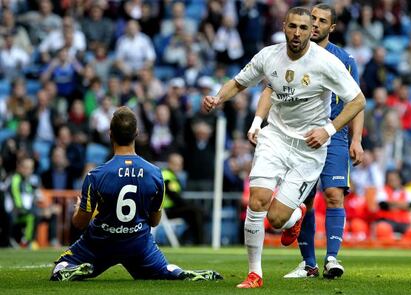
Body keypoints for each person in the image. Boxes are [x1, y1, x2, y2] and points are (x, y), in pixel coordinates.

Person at [202, 7, 365, 288]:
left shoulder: (327, 62)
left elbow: (358, 100)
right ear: (284, 26)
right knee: (257, 202)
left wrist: (328, 130)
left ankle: (296, 217)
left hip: (308, 149)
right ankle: (255, 273)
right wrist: (218, 98)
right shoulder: (268, 56)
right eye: (293, 27)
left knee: (277, 219)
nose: (298, 33)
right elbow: (240, 82)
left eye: (304, 28)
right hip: (274, 138)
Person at [248, 4, 364, 280]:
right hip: (296, 135)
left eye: (321, 21)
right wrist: (258, 121)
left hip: (333, 133)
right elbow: (270, 90)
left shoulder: (343, 59)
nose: (314, 24)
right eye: (311, 18)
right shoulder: (289, 53)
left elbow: (358, 101)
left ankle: (332, 258)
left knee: (334, 194)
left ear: (331, 28)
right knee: (305, 202)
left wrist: (356, 139)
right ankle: (308, 263)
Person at [50, 106, 222, 282]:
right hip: (138, 243)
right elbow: (155, 221)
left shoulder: (96, 175)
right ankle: (178, 272)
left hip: (101, 241)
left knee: (61, 265)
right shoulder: (155, 173)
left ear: (110, 134)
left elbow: (80, 223)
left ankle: (69, 268)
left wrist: (79, 209)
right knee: (162, 271)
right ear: (136, 133)